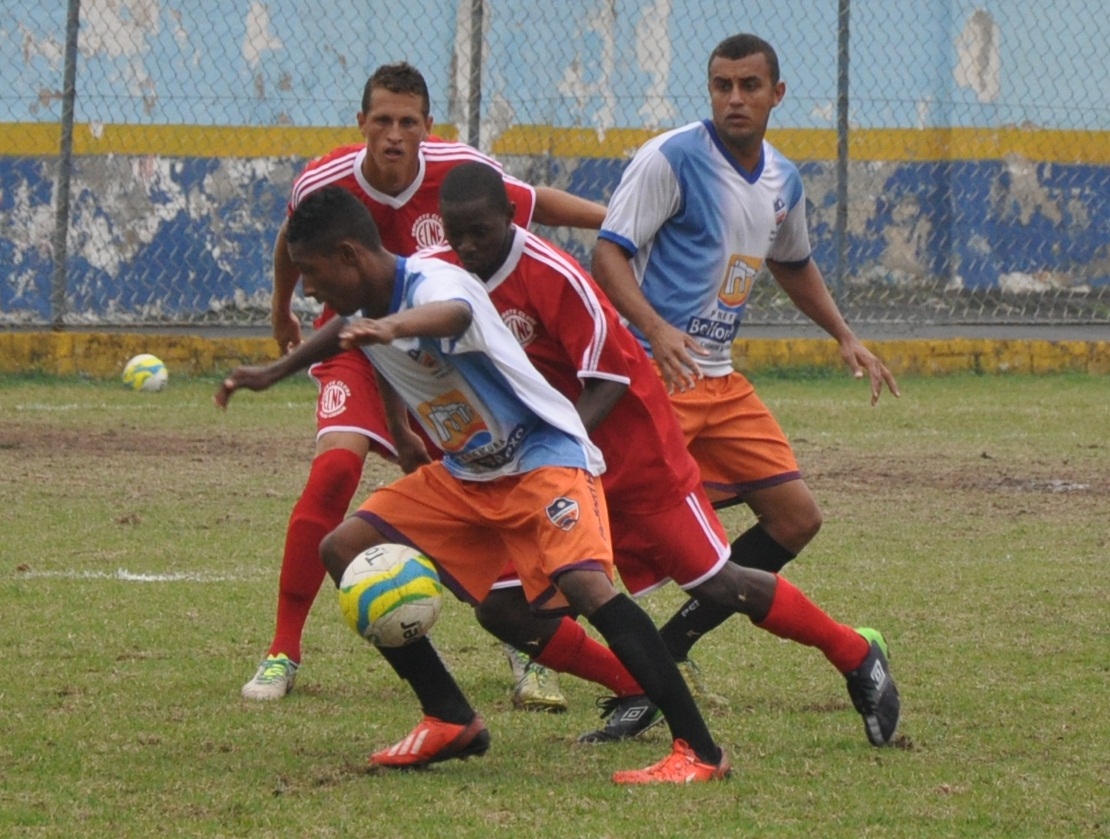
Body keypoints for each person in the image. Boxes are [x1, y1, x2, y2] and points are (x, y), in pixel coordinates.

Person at [217, 186, 731, 784]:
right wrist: (279, 375)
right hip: (469, 475)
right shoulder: (365, 310)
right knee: (341, 547)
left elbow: (452, 317)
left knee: (588, 587)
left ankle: (700, 751)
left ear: (351, 254)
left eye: (311, 271)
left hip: (544, 458)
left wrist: (391, 327)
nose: (307, 289)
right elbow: (344, 333)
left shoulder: (438, 284)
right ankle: (449, 716)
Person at [427, 161, 901, 748]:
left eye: (480, 231)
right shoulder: (445, 280)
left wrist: (556, 452)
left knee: (717, 583)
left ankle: (857, 654)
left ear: (511, 215)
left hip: (632, 454)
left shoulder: (553, 275)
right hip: (550, 464)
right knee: (504, 608)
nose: (468, 246)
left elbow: (612, 378)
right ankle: (640, 686)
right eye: (456, 234)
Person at [242, 61, 605, 709]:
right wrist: (280, 311)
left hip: (442, 356)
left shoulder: (458, 168)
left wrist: (615, 222)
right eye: (381, 120)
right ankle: (282, 649)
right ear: (362, 123)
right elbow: (290, 237)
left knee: (490, 488)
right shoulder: (327, 177)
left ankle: (531, 646)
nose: (393, 133)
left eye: (407, 121)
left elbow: (533, 201)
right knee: (332, 473)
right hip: (356, 342)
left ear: (426, 127)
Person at [590, 33, 902, 710]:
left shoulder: (783, 180)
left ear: (776, 94)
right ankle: (591, 660)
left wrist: (845, 335)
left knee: (795, 517)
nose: (735, 98)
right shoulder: (670, 159)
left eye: (750, 86)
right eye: (722, 85)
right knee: (602, 532)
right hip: (655, 377)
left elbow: (792, 262)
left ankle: (667, 652)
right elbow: (609, 254)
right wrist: (656, 326)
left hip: (721, 381)